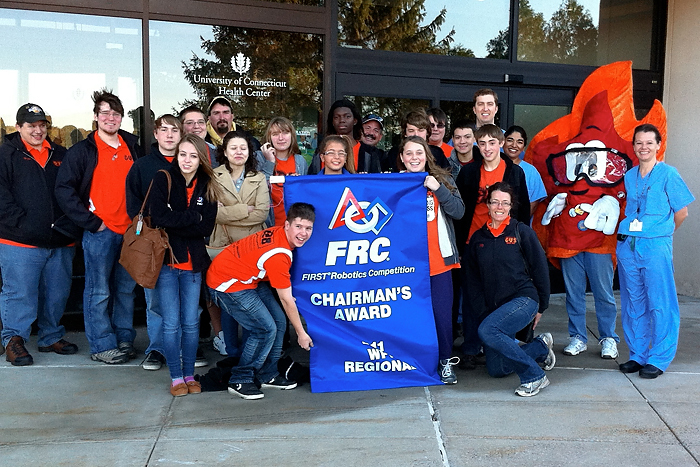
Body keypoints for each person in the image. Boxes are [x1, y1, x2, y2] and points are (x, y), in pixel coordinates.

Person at [55, 89, 143, 364]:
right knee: (98, 291)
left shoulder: (132, 146)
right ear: (95, 117)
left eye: (115, 114)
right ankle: (102, 345)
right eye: (104, 113)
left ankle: (124, 338)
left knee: (126, 290)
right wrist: (93, 223)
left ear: (121, 118)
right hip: (100, 233)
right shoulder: (83, 151)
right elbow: (64, 189)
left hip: (130, 232)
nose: (110, 118)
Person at [207, 202, 316, 400]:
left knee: (279, 322)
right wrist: (301, 333)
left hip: (247, 278)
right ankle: (240, 378)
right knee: (264, 329)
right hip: (226, 283)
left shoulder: (280, 236)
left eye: (308, 228)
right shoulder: (280, 254)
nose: (303, 233)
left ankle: (268, 374)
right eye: (298, 227)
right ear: (287, 225)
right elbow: (286, 299)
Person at [0, 103, 78, 366]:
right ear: (18, 127)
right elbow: (2, 198)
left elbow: (75, 191)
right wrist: (24, 225)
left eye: (42, 125)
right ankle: (13, 340)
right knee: (19, 294)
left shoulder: (61, 154)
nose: (37, 130)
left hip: (60, 239)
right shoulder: (5, 155)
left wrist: (71, 223)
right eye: (31, 125)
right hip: (20, 240)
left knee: (57, 293)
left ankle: (50, 336)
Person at [617, 124, 694, 379]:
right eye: (639, 143)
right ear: (634, 146)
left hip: (656, 244)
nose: (644, 147)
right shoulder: (629, 176)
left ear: (659, 145)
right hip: (629, 245)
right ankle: (638, 354)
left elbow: (681, 213)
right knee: (633, 301)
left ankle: (659, 357)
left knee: (660, 302)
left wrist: (661, 234)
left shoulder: (669, 174)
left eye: (649, 142)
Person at [466, 182, 555, 397]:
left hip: (524, 299)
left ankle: (535, 377)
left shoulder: (521, 231)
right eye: (495, 201)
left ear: (510, 206)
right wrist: (483, 313)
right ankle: (541, 347)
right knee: (497, 370)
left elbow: (541, 269)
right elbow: (472, 283)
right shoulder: (478, 239)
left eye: (504, 203)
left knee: (488, 331)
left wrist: (541, 306)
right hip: (495, 309)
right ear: (487, 204)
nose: (499, 207)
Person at [147, 134, 218, 396]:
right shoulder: (163, 178)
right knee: (171, 324)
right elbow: (159, 218)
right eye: (183, 154)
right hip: (167, 263)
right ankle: (176, 377)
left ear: (201, 159)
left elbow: (206, 226)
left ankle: (189, 374)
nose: (187, 160)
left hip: (194, 265)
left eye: (193, 155)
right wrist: (191, 217)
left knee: (190, 322)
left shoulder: (208, 184)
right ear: (176, 156)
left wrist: (179, 221)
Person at [454, 124, 530, 370]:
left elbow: (523, 209)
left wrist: (520, 242)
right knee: (472, 296)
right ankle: (470, 347)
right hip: (473, 242)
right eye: (482, 143)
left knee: (501, 295)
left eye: (492, 143)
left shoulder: (514, 172)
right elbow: (460, 210)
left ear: (501, 144)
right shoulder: (468, 172)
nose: (487, 148)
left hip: (504, 244)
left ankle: (497, 343)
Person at [397, 136, 464, 384]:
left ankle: (445, 360)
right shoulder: (395, 184)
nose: (414, 158)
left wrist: (438, 188)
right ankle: (414, 361)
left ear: (427, 155)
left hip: (438, 263)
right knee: (409, 316)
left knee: (441, 316)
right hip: (405, 266)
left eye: (419, 153)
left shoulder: (442, 180)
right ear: (402, 158)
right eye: (409, 153)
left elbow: (458, 211)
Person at [125, 114, 182, 371]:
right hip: (153, 240)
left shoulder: (189, 162)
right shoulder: (142, 166)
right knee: (155, 299)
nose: (169, 135)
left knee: (187, 297)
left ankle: (185, 344)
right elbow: (132, 204)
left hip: (184, 240)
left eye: (174, 130)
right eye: (164, 130)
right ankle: (157, 348)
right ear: (156, 134)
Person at [210, 130, 270, 358]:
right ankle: (231, 349)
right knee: (229, 297)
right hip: (224, 246)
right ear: (224, 151)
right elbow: (212, 213)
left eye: (243, 148)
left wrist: (228, 212)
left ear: (249, 152)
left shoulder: (259, 177)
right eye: (233, 148)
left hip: (252, 247)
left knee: (251, 297)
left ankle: (249, 351)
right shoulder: (213, 176)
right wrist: (245, 209)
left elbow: (262, 214)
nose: (238, 152)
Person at [258, 117, 308, 227]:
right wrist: (270, 162)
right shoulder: (259, 158)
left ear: (292, 135)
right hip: (269, 224)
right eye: (275, 134)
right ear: (269, 138)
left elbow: (305, 197)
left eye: (285, 133)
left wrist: (298, 185)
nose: (281, 138)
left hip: (294, 226)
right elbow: (258, 189)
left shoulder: (300, 161)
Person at [308, 100, 382, 174]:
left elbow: (376, 182)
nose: (342, 120)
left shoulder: (369, 152)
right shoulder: (321, 150)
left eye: (347, 116)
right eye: (337, 117)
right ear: (332, 122)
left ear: (355, 120)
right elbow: (312, 180)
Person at [383, 109, 451, 172]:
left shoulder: (437, 154)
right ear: (405, 133)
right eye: (411, 130)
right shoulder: (394, 153)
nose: (416, 134)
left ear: (427, 132)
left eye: (420, 130)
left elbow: (448, 181)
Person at [503, 126, 546, 216]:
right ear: (503, 142)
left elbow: (533, 205)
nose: (514, 145)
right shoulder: (493, 166)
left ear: (523, 147)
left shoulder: (531, 171)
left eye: (519, 142)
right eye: (510, 140)